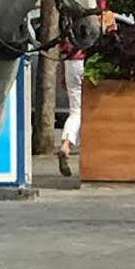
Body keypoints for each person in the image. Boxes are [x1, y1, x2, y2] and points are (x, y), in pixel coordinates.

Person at [56, 38, 85, 177]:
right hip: (87, 61)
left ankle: (65, 145)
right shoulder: (103, 17)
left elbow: (63, 49)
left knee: (75, 111)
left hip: (70, 62)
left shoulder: (69, 19)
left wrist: (62, 72)